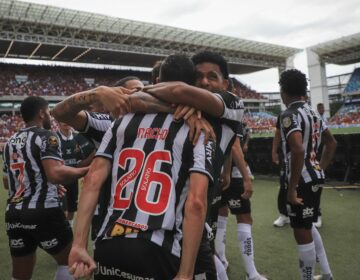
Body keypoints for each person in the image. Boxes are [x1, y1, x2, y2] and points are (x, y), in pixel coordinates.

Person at [68, 54, 216, 280]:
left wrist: (79, 244)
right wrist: (186, 273)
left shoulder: (122, 121)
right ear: (192, 87)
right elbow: (196, 203)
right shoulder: (198, 128)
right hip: (157, 250)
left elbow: (92, 180)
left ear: (157, 81)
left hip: (109, 245)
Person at [2, 96, 88, 280]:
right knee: (69, 262)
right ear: (42, 113)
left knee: (19, 276)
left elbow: (7, 182)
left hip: (13, 214)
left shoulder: (10, 142)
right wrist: (88, 169)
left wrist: (44, 184)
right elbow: (55, 174)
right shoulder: (46, 136)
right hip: (43, 211)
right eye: (49, 112)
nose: (50, 116)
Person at [278, 69, 337, 280]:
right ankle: (327, 274)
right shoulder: (314, 113)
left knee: (301, 231)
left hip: (300, 181)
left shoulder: (288, 115)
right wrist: (319, 167)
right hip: (314, 177)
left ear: (284, 92)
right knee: (308, 225)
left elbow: (298, 149)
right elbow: (332, 143)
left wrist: (292, 187)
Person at [56, 122, 95, 222]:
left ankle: (68, 231)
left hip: (73, 180)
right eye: (62, 119)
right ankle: (63, 233)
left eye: (67, 119)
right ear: (58, 122)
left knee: (72, 210)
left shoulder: (78, 138)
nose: (66, 122)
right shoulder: (54, 138)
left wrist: (92, 155)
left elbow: (79, 164)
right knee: (61, 211)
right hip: (60, 182)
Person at [272, 116, 290, 227]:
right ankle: (284, 215)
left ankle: (315, 213)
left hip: (305, 156)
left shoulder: (309, 113)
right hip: (287, 157)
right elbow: (278, 133)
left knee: (305, 185)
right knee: (284, 184)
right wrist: (274, 151)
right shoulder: (284, 115)